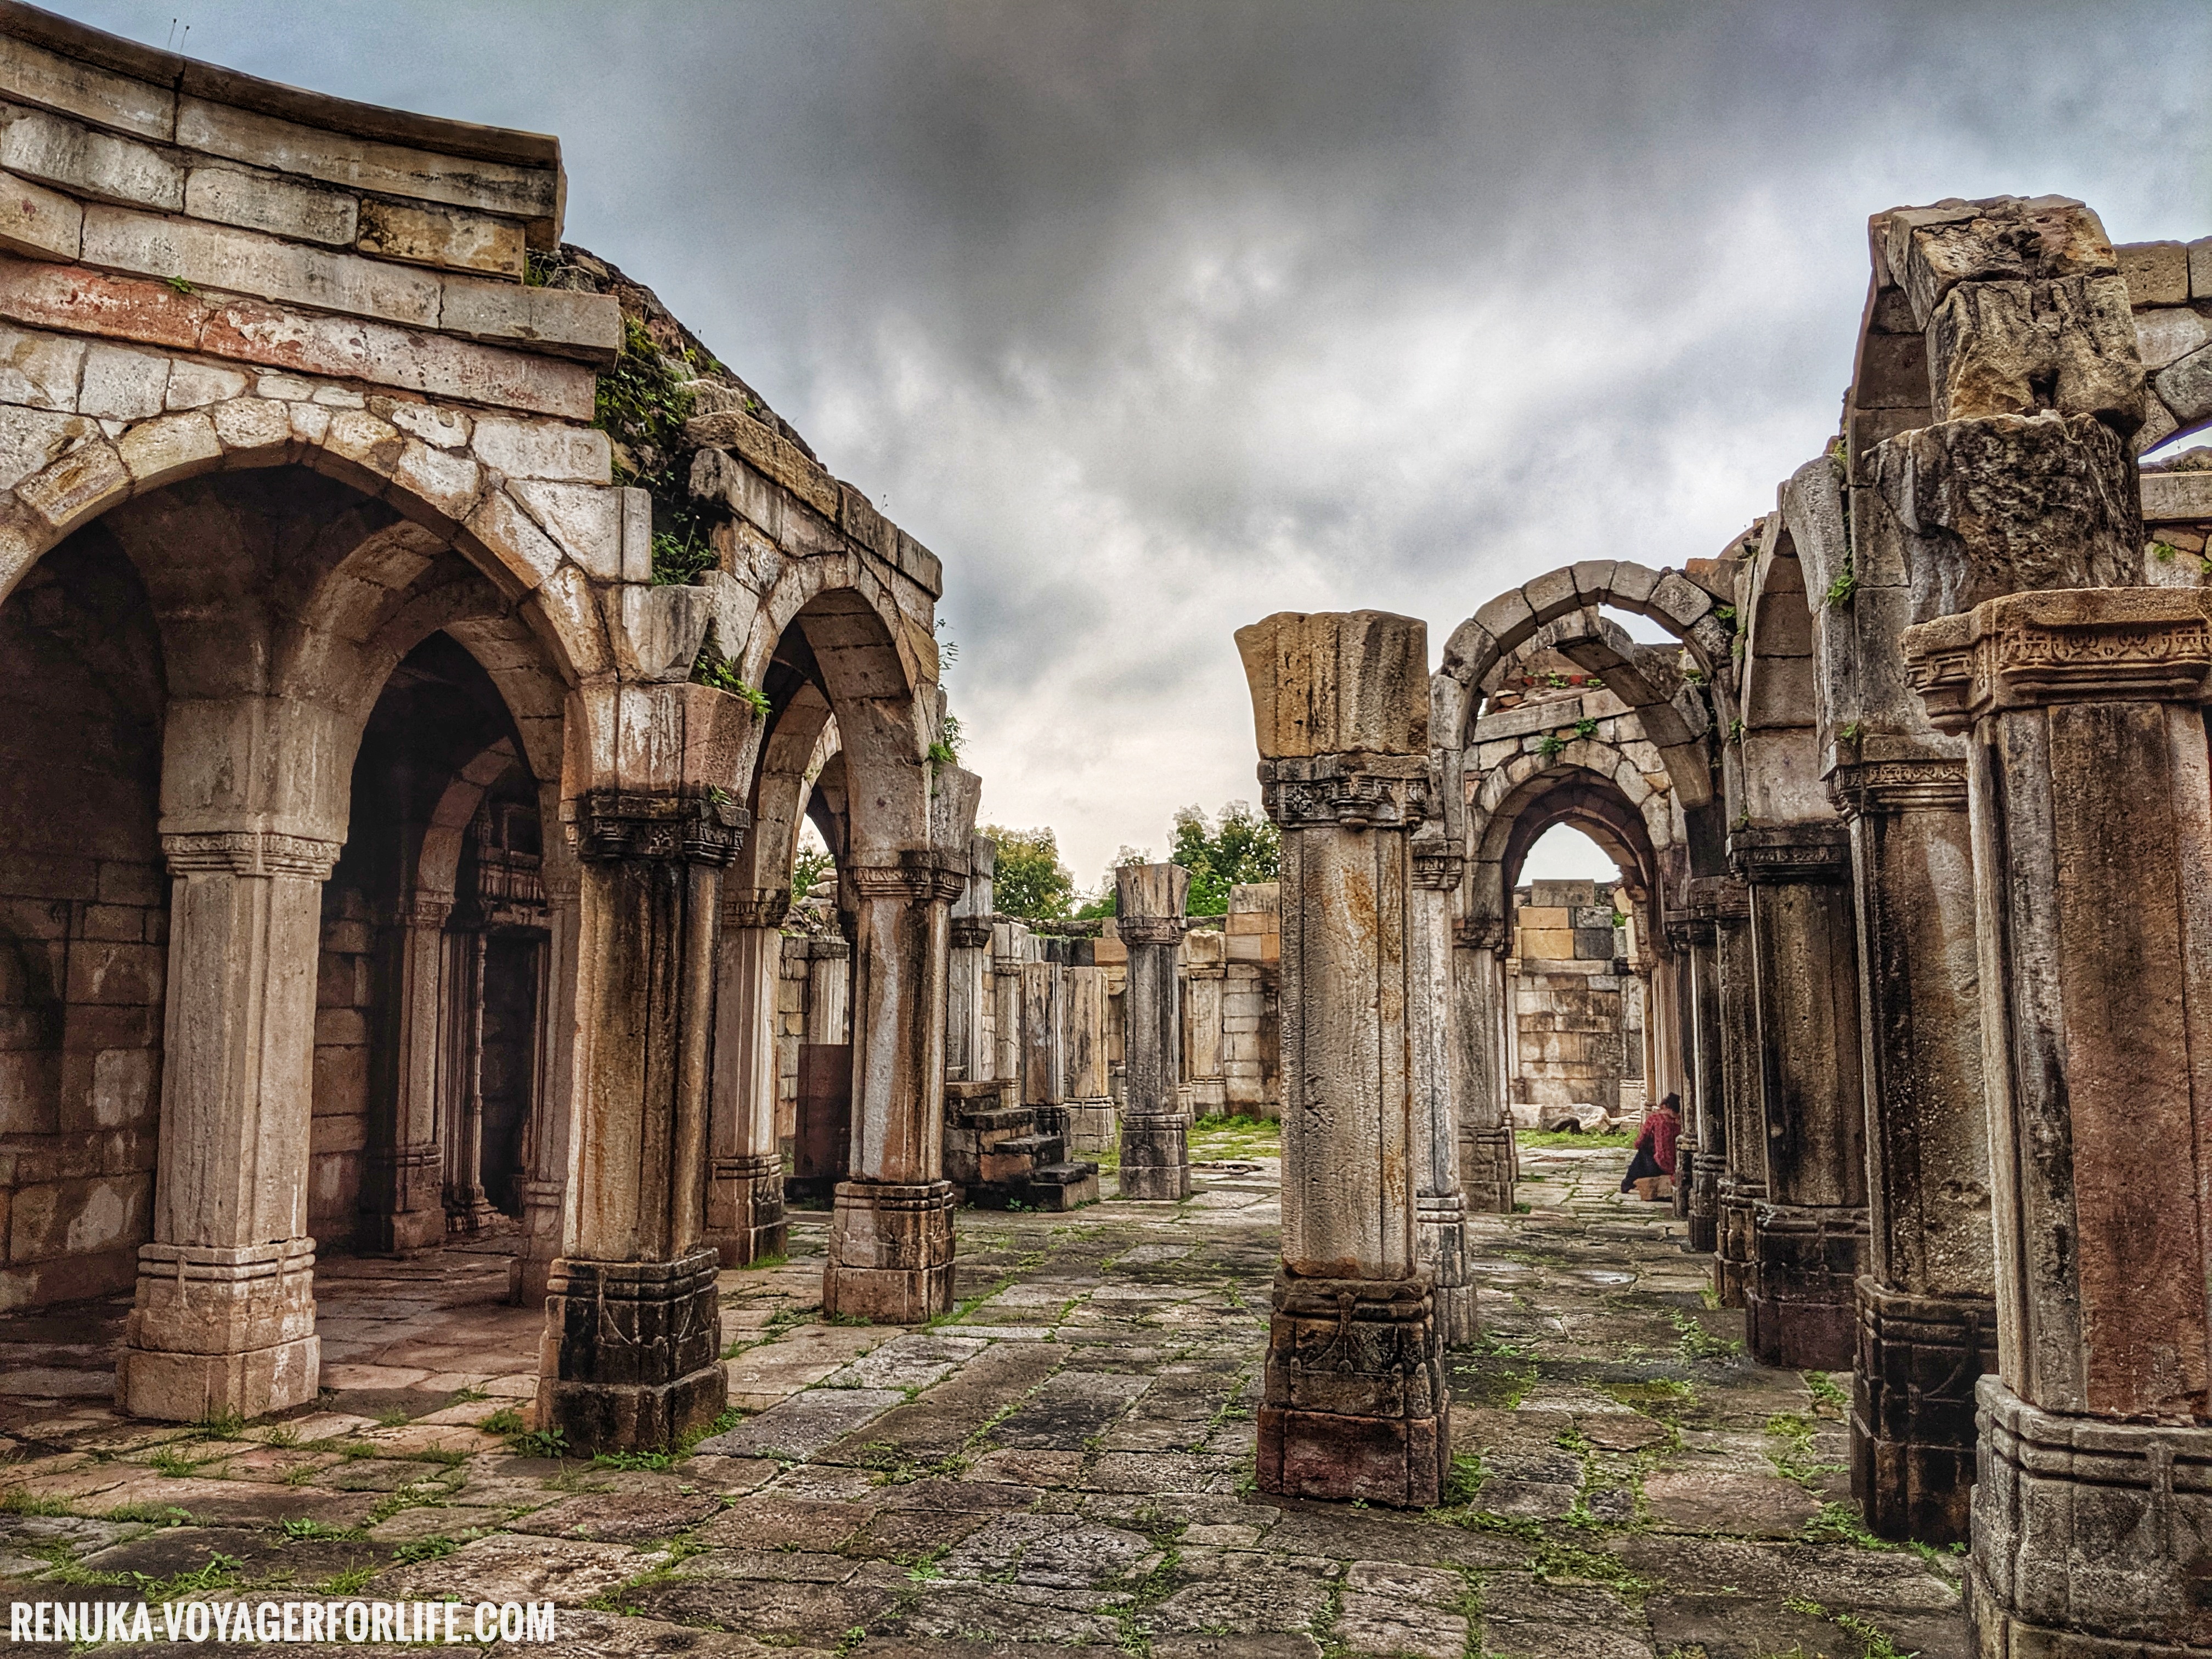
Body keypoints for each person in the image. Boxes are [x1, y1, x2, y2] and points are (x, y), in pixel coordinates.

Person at [1620, 1093, 1681, 1201]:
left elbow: (1642, 1139)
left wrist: (1640, 1145)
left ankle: (1628, 1182)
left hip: (1658, 1163)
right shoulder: (1680, 1123)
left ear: (1664, 1106)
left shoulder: (1655, 1119)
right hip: (1674, 1164)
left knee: (1642, 1153)